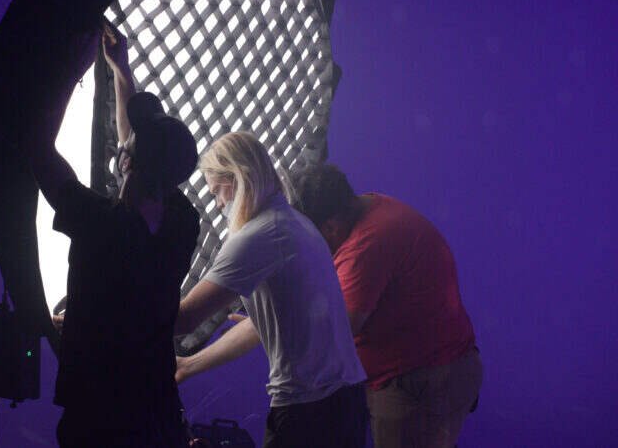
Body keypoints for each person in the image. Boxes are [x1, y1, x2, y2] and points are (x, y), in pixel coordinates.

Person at [29, 25, 201, 448]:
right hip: (155, 411)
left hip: (96, 417)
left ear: (126, 163)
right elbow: (134, 144)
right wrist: (120, 72)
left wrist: (71, 70)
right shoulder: (183, 222)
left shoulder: (101, 224)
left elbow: (36, 147)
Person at [174, 132, 368, 448]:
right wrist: (187, 366)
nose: (220, 204)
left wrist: (93, 315)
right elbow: (259, 328)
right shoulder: (294, 223)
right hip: (343, 404)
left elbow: (182, 320)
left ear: (236, 178)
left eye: (216, 194)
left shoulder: (259, 236)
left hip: (309, 411)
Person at [291, 164, 482, 448]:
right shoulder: (370, 208)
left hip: (418, 382)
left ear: (330, 226)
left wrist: (276, 318)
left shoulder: (364, 247)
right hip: (436, 370)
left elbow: (337, 331)